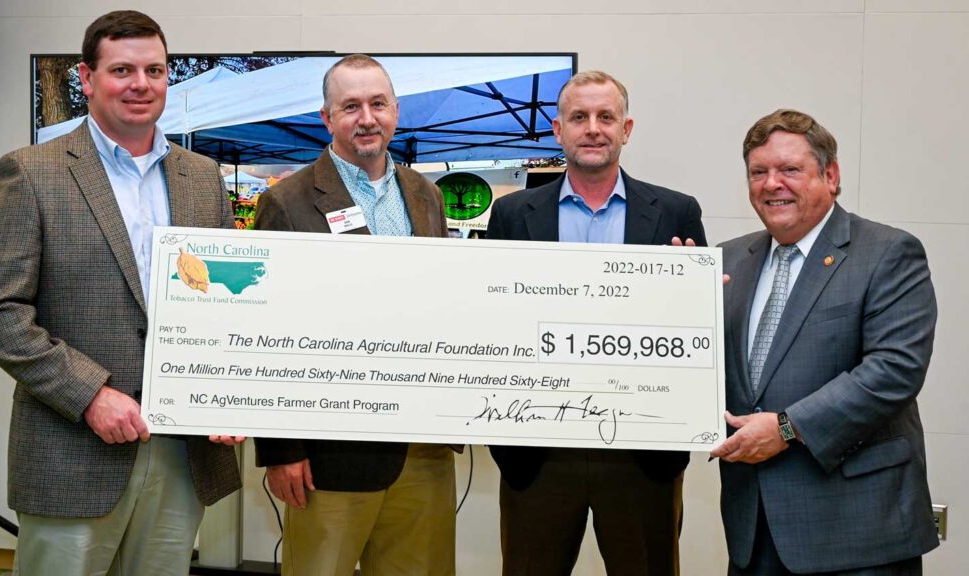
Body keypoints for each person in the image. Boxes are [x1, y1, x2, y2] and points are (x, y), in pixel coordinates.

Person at [0, 10, 242, 576]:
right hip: (73, 451)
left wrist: (228, 392)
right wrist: (90, 395)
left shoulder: (203, 177)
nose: (140, 84)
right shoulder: (32, 172)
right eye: (122, 69)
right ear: (87, 79)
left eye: (155, 69)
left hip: (181, 452)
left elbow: (224, 303)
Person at [486, 70, 706, 576]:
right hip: (537, 451)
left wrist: (690, 296)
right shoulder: (513, 215)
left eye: (606, 117)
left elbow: (697, 329)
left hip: (641, 454)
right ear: (558, 130)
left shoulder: (676, 212)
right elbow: (493, 322)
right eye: (578, 117)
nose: (593, 128)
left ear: (626, 130)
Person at [252, 54, 457, 576]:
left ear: (395, 111)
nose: (366, 118)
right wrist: (281, 449)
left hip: (422, 447)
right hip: (328, 456)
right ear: (327, 118)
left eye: (378, 104)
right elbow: (264, 328)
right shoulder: (287, 201)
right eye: (350, 106)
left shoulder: (425, 194)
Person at [712, 109, 939, 575]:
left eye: (790, 169)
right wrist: (675, 301)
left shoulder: (888, 252)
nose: (772, 183)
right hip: (753, 532)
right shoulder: (728, 259)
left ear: (830, 176)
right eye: (759, 172)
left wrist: (787, 428)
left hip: (857, 534)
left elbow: (894, 370)